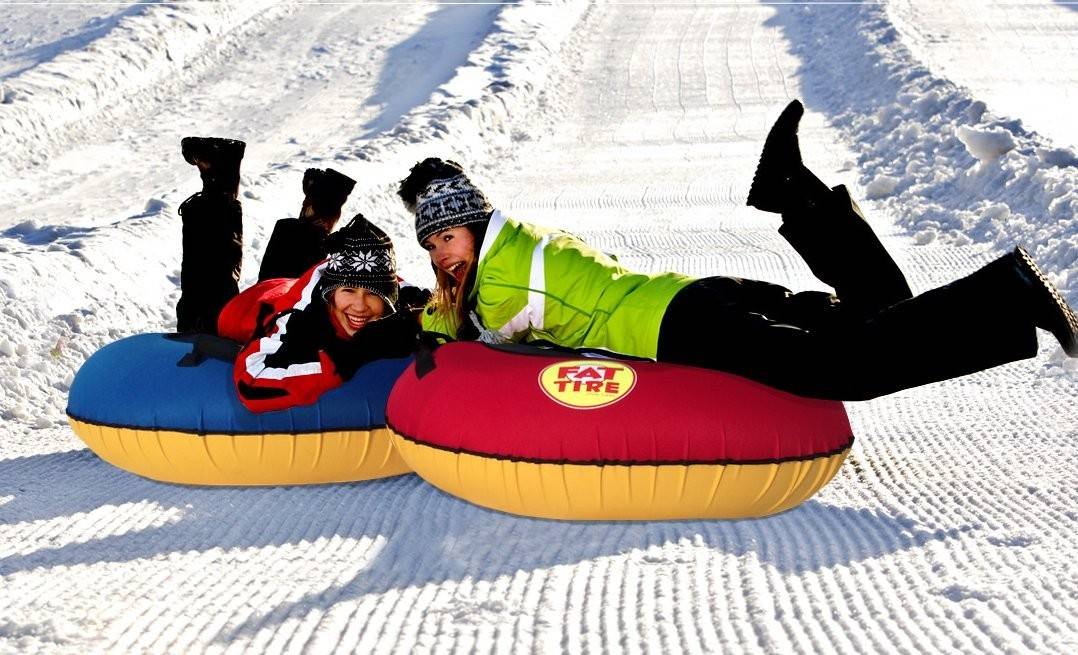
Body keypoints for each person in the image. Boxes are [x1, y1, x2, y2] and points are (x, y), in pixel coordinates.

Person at [397, 100, 1078, 401]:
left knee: (849, 369)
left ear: (476, 224)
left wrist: (413, 318)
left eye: (447, 237)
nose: (441, 256)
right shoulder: (512, 245)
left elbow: (476, 343)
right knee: (880, 309)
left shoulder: (508, 270)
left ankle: (1008, 291)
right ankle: (795, 191)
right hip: (693, 298)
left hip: (683, 325)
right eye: (430, 246)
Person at [175, 136, 425, 413]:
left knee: (305, 296)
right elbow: (253, 383)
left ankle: (321, 207)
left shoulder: (378, 292)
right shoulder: (300, 320)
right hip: (244, 312)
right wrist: (353, 355)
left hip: (291, 290)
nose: (360, 305)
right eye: (350, 292)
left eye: (372, 294)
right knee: (206, 286)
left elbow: (412, 296)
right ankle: (218, 180)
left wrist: (419, 316)